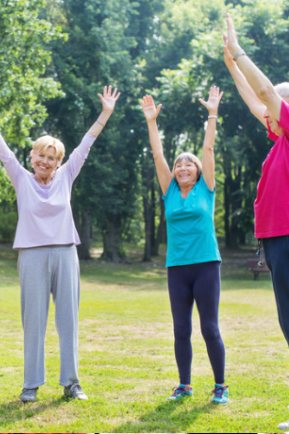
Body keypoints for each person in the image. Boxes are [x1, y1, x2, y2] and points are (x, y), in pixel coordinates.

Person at [0, 83, 120, 403]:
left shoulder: (67, 175)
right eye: (41, 155)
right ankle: (30, 385)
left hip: (65, 253)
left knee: (68, 320)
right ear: (32, 155)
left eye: (52, 157)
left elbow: (86, 144)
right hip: (32, 256)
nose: (46, 161)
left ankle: (71, 382)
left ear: (58, 161)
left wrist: (105, 113)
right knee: (34, 321)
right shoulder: (20, 176)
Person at [141, 86, 229, 405]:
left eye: (188, 165)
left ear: (198, 170)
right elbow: (157, 155)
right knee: (181, 330)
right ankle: (185, 385)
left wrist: (212, 113)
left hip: (206, 265)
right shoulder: (169, 192)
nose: (182, 168)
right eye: (179, 165)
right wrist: (152, 121)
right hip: (177, 268)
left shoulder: (206, 189)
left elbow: (208, 148)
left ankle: (220, 385)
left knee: (209, 328)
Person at [224, 13, 289, 428]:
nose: (264, 115)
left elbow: (263, 91)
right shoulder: (279, 138)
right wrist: (230, 61)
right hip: (278, 241)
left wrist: (241, 49)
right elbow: (255, 100)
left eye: (272, 110)